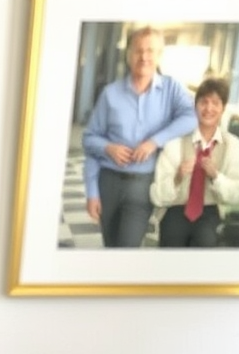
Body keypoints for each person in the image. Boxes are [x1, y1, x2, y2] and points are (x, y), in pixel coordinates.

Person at [82, 25, 196, 247]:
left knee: (127, 248)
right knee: (111, 247)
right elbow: (89, 139)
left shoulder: (171, 89)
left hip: (143, 187)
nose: (144, 57)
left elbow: (190, 118)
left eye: (150, 51)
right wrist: (108, 149)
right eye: (138, 50)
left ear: (159, 55)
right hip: (109, 183)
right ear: (128, 55)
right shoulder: (110, 94)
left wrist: (155, 141)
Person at [150, 76, 239, 247]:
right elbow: (157, 196)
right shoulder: (175, 142)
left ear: (223, 108)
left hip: (210, 211)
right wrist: (177, 178)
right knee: (171, 248)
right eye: (204, 102)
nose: (209, 108)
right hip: (175, 209)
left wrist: (216, 176)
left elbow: (236, 193)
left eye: (215, 103)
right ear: (195, 105)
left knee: (205, 243)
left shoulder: (232, 144)